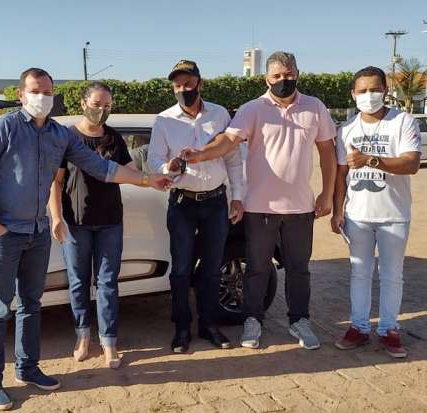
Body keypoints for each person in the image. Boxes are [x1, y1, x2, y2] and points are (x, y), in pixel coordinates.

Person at [0, 68, 172, 411]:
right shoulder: (3, 128)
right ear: (21, 95)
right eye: (35, 91)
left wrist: (149, 180)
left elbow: (101, 167)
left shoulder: (59, 135)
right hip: (5, 235)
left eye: (48, 92)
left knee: (31, 305)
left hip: (37, 233)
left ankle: (28, 368)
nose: (42, 97)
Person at [181, 52, 337, 350]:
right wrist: (200, 154)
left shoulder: (314, 107)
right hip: (259, 207)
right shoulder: (252, 109)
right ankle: (253, 320)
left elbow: (327, 152)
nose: (283, 80)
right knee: (256, 268)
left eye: (288, 74)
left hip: (301, 207)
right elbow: (228, 140)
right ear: (267, 79)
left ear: (297, 74)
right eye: (277, 76)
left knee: (299, 269)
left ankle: (300, 320)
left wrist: (327, 194)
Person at [49, 81, 148, 369]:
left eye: (107, 106)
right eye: (96, 104)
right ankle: (82, 337)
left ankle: (109, 341)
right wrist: (56, 217)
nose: (102, 110)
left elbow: (130, 172)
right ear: (83, 104)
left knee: (107, 283)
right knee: (78, 282)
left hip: (110, 222)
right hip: (75, 222)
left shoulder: (114, 138)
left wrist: (154, 178)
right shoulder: (67, 138)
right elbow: (55, 182)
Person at [147, 60, 245, 353]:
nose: (183, 90)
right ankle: (181, 328)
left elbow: (233, 157)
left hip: (216, 202)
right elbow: (153, 160)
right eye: (177, 85)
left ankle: (209, 325)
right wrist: (168, 166)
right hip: (183, 204)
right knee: (181, 269)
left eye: (188, 84)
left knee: (212, 268)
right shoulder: (164, 120)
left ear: (199, 84)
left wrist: (237, 197)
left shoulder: (219, 114)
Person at [332, 66, 421, 358]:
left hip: (393, 214)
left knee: (391, 275)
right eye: (362, 90)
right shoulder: (346, 129)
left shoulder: (403, 122)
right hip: (357, 215)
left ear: (385, 90)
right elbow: (341, 174)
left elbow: (411, 164)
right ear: (353, 94)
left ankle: (389, 330)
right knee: (359, 273)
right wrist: (337, 211)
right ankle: (358, 327)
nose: (368, 95)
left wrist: (371, 159)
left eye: (374, 89)